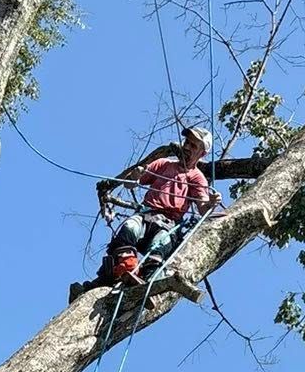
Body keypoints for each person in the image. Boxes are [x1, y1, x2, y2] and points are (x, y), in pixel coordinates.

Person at [71, 125, 221, 301]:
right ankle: (124, 268)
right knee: (129, 228)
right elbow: (130, 184)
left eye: (193, 146)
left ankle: (148, 284)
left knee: (159, 247)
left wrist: (210, 203)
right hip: (146, 214)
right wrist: (135, 176)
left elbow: (203, 207)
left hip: (168, 224)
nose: (187, 147)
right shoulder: (165, 164)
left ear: (202, 154)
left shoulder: (197, 178)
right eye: (187, 142)